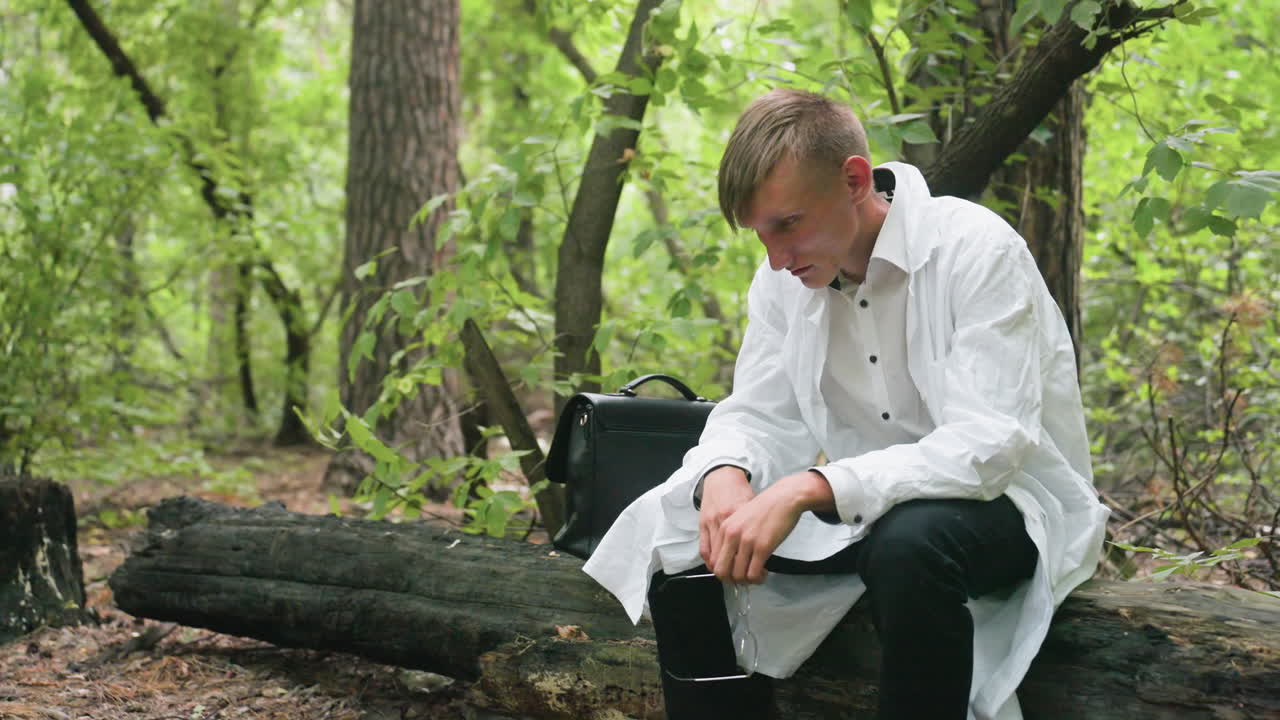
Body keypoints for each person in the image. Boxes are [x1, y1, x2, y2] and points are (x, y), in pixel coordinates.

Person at [582, 88, 1108, 720]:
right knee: (685, 527)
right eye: (760, 235)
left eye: (787, 224)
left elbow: (990, 446)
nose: (775, 258)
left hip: (1008, 505)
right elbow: (759, 411)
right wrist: (725, 473)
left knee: (910, 544)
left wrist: (808, 487)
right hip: (863, 505)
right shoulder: (784, 277)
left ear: (855, 180)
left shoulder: (975, 250)